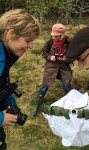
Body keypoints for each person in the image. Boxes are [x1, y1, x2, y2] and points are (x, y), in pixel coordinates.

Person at [0, 9, 41, 149]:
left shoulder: (5, 54)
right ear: (11, 34)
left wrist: (8, 102)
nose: (31, 46)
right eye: (28, 40)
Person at [31, 23, 73, 117]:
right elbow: (43, 52)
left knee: (66, 86)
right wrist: (50, 57)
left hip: (64, 67)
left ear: (61, 35)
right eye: (53, 35)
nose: (53, 37)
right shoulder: (49, 42)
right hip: (51, 67)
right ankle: (36, 105)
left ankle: (70, 104)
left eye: (56, 36)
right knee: (44, 86)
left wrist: (66, 59)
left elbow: (73, 57)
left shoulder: (69, 43)